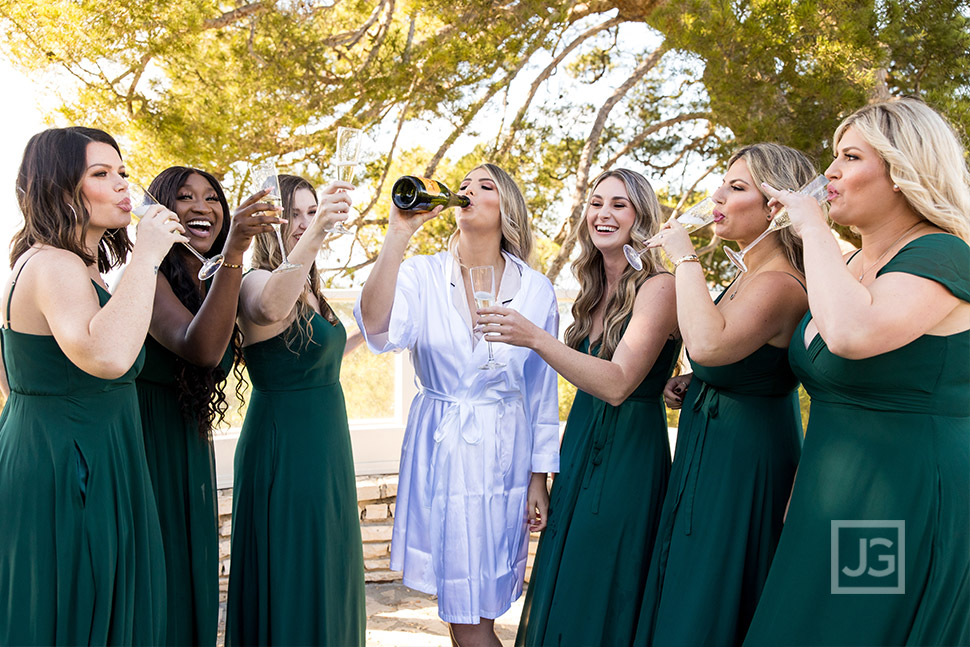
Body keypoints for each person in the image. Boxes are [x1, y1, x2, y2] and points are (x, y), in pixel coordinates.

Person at [743, 99, 969, 646]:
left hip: (891, 507)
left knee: (845, 632)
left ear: (902, 172)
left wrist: (810, 224)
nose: (830, 174)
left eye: (850, 157)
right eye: (833, 157)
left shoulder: (944, 255)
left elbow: (851, 334)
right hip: (829, 498)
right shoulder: (848, 266)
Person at [355, 163, 560, 646]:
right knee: (460, 608)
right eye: (463, 185)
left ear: (506, 208)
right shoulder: (422, 273)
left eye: (484, 186)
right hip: (439, 446)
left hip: (501, 452)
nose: (466, 190)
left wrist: (538, 478)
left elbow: (541, 389)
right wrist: (398, 233)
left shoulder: (535, 289)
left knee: (473, 610)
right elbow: (378, 326)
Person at [478, 168, 679, 646]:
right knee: (563, 583)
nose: (603, 214)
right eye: (596, 203)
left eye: (619, 205)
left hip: (630, 457)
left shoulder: (661, 287)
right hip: (578, 454)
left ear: (641, 217)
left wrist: (534, 337)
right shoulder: (591, 294)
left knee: (602, 584)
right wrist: (541, 476)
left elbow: (617, 384)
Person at [0, 126, 185, 644]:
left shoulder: (72, 267)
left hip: (82, 453)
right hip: (73, 468)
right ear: (60, 190)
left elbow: (14, 378)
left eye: (122, 171)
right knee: (76, 611)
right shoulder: (55, 264)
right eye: (100, 174)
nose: (124, 184)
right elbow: (107, 356)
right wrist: (147, 257)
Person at [634, 143, 813, 646]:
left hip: (745, 462)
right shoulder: (747, 274)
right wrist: (701, 382)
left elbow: (708, 343)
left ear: (774, 206)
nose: (716, 196)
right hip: (708, 449)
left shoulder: (780, 282)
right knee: (690, 574)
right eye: (723, 183)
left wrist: (684, 256)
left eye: (737, 188)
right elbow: (734, 358)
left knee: (715, 585)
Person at [136, 166, 277, 645]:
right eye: (185, 196)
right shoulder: (146, 275)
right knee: (158, 586)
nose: (202, 206)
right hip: (145, 446)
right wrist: (236, 250)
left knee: (193, 577)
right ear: (160, 210)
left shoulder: (212, 278)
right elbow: (201, 349)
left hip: (191, 448)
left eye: (212, 197)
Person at [226, 174, 366, 646]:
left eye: (312, 211)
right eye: (295, 214)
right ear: (270, 221)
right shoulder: (255, 281)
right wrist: (315, 235)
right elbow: (268, 310)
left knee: (328, 565)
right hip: (285, 447)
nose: (304, 223)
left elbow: (314, 359)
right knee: (292, 568)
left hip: (327, 446)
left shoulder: (311, 285)